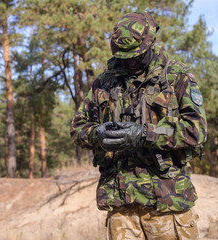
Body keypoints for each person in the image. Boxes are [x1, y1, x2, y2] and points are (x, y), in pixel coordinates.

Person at [70, 11, 207, 240]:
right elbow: (78, 128)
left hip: (167, 203)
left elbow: (197, 131)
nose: (131, 62)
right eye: (124, 56)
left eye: (137, 55)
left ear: (152, 42)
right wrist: (97, 134)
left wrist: (145, 135)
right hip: (121, 206)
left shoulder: (176, 77)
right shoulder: (104, 82)